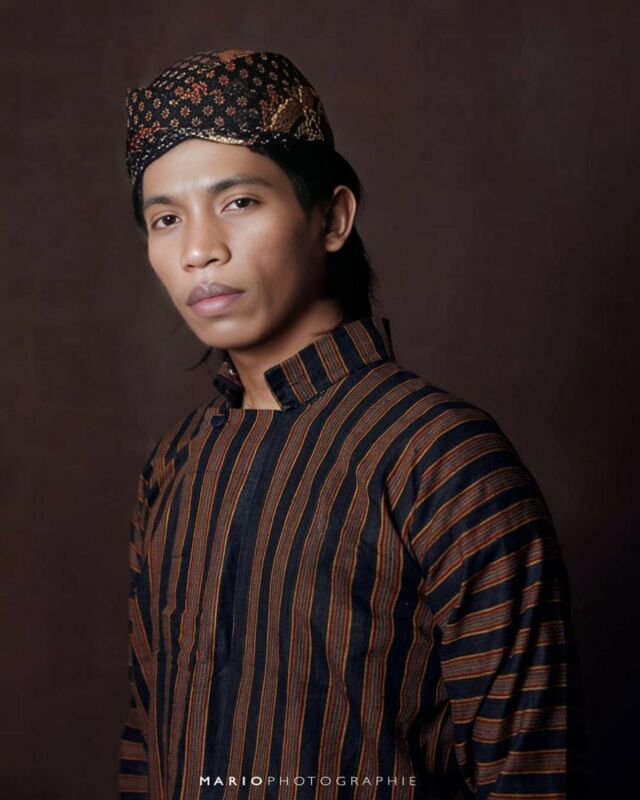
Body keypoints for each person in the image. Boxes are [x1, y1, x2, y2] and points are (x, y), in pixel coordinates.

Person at [118, 49, 585, 799]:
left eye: (239, 202)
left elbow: (530, 773)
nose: (200, 249)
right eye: (166, 219)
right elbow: (147, 747)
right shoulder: (176, 463)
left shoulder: (441, 456)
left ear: (332, 218)